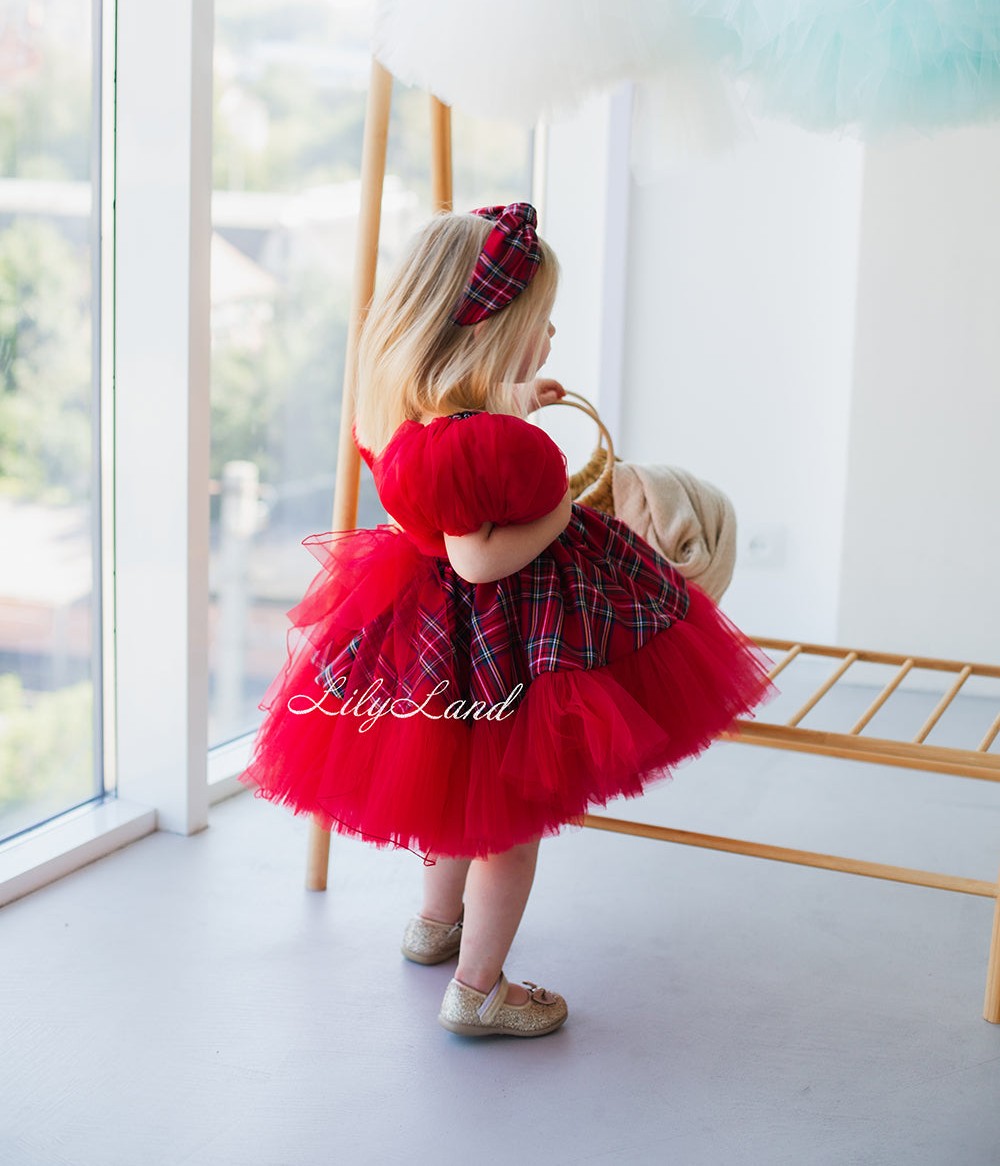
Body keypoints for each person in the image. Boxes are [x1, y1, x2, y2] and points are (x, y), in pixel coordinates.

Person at [241, 202, 773, 1039]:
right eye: (540, 322)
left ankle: (434, 923)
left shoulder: (397, 413)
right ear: (490, 334)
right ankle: (479, 989)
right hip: (504, 636)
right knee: (509, 824)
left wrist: (515, 400)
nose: (552, 333)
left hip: (420, 624)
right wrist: (560, 510)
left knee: (451, 782)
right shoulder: (503, 450)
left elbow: (454, 476)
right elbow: (480, 558)